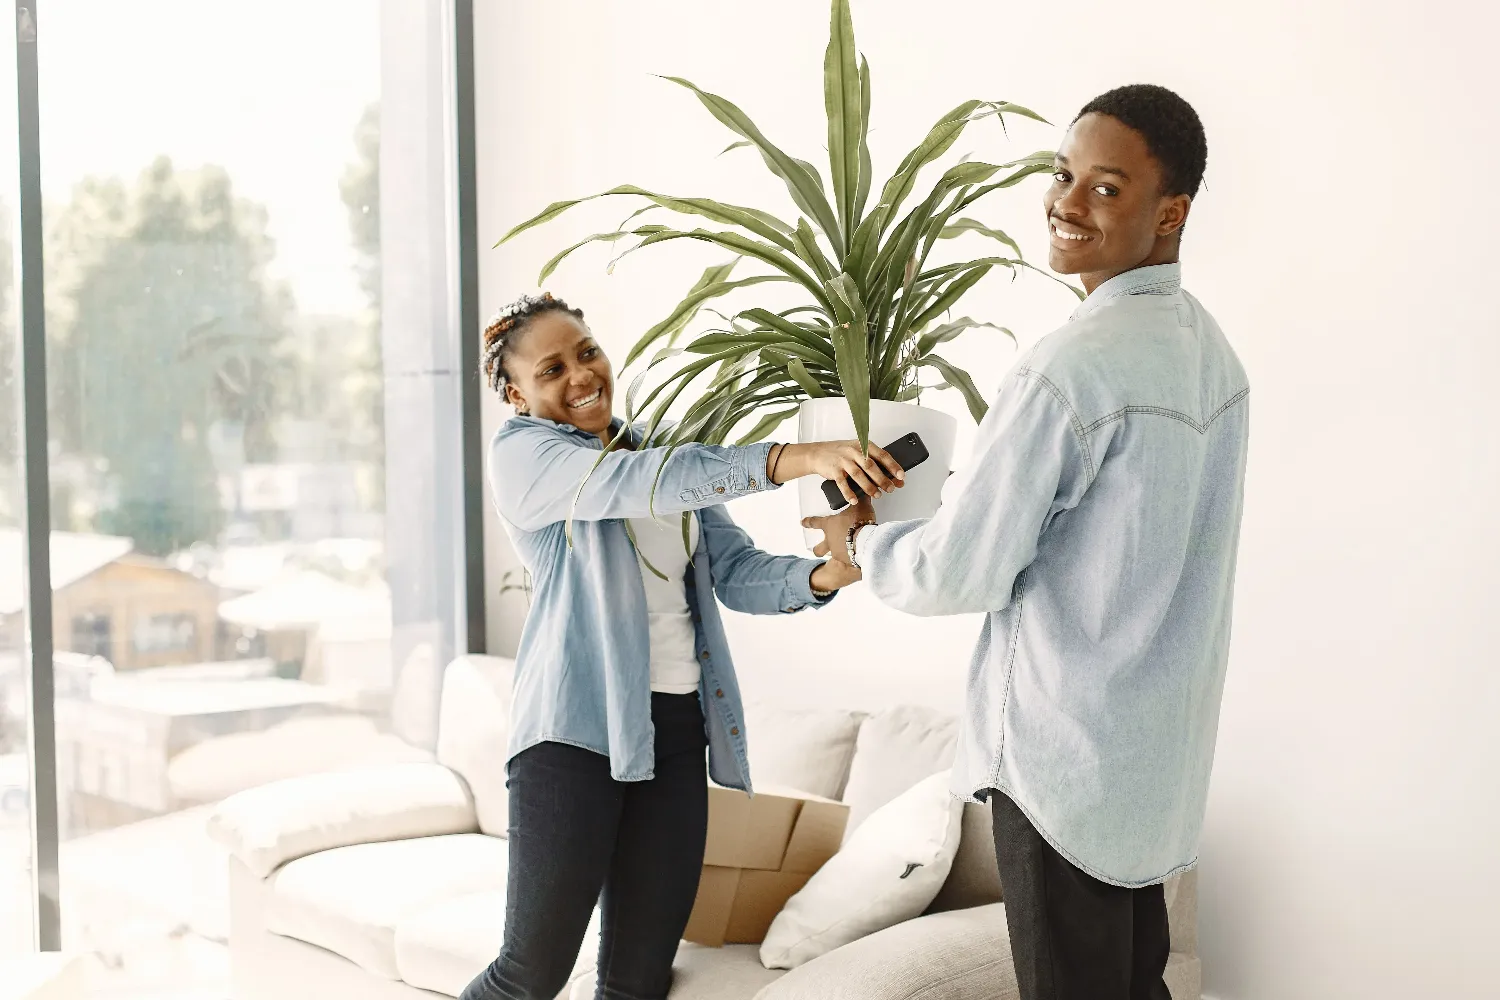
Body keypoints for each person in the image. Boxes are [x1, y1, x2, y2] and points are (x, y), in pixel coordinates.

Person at [804, 84, 1248, 1000]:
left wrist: (866, 548)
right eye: (1062, 174)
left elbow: (957, 572)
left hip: (1063, 765)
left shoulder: (1069, 369)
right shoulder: (1216, 360)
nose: (1066, 203)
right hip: (1155, 774)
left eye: (1106, 188)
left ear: (1171, 212)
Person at [461, 292, 904, 1000]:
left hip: (674, 732)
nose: (582, 375)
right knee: (529, 976)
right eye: (552, 370)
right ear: (517, 394)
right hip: (574, 737)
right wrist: (796, 458)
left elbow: (736, 571)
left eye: (587, 352)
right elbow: (641, 483)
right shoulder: (525, 457)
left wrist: (830, 572)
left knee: (637, 982)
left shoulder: (660, 448)